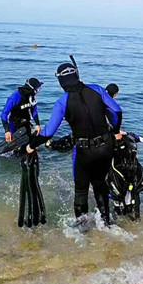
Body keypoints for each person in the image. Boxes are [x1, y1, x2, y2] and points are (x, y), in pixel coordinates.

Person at [26, 59, 123, 226]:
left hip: (84, 151)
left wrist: (31, 146)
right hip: (106, 147)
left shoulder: (62, 102)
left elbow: (48, 132)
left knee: (81, 190)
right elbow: (116, 111)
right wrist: (115, 130)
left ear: (60, 81)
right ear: (76, 74)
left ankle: (83, 230)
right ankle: (106, 223)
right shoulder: (97, 89)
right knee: (100, 183)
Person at [1, 78, 43, 143]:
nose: (39, 90)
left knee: (30, 143)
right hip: (14, 124)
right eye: (37, 88)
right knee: (12, 144)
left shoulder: (31, 96)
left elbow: (34, 112)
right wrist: (7, 131)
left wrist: (37, 124)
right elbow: (4, 114)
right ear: (32, 88)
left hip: (26, 123)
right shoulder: (15, 97)